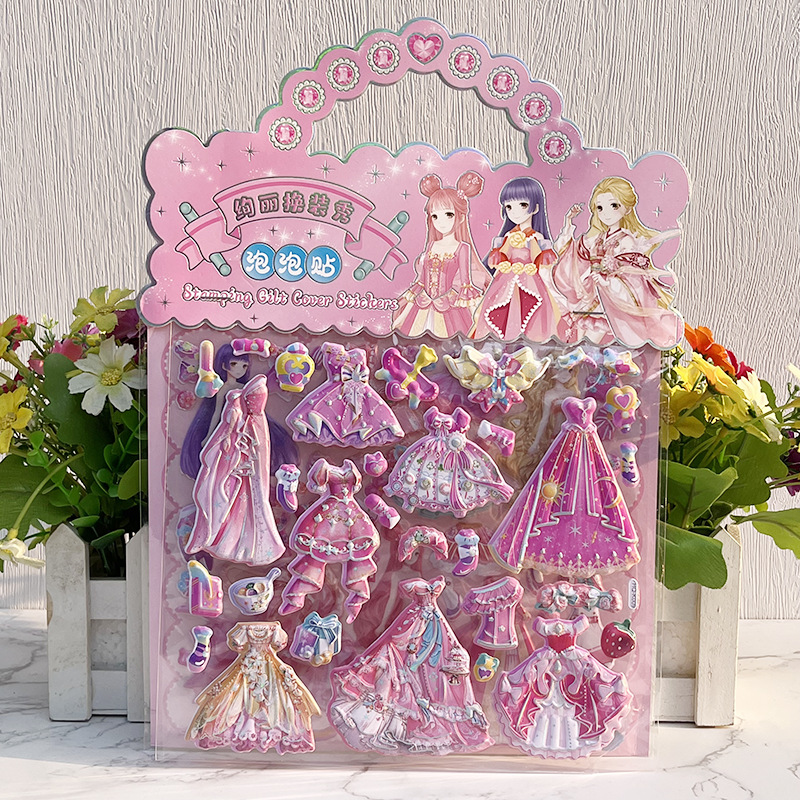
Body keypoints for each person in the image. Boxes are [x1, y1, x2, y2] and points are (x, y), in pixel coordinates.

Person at [552, 176, 682, 347]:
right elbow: (571, 252)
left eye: (614, 206)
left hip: (611, 299)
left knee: (590, 344)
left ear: (627, 209)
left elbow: (633, 277)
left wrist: (607, 282)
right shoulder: (597, 238)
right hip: (591, 295)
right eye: (600, 208)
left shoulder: (626, 240)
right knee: (580, 341)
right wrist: (568, 222)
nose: (606, 213)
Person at [392, 171, 488, 338]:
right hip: (422, 302)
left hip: (449, 305)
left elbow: (465, 282)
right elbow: (422, 279)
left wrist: (457, 299)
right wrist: (415, 292)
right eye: (435, 216)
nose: (441, 222)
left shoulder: (462, 248)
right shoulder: (431, 245)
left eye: (448, 215)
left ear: (460, 218)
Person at [471, 176, 561, 342]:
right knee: (499, 306)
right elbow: (502, 254)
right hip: (506, 279)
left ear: (536, 208)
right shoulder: (508, 235)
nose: (515, 212)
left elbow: (541, 260)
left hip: (531, 280)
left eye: (523, 205)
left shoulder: (537, 237)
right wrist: (504, 263)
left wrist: (533, 266)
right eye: (509, 207)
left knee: (534, 311)